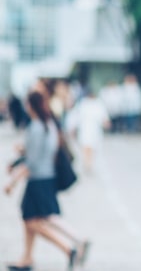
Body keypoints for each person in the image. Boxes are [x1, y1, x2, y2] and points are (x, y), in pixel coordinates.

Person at [4, 90, 90, 271]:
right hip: (48, 177)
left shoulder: (36, 127)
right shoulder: (50, 125)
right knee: (31, 219)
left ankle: (69, 248)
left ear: (30, 105)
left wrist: (12, 181)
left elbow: (32, 163)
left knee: (35, 221)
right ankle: (27, 258)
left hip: (38, 180)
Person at [65, 89, 111, 175]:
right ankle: (88, 163)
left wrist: (73, 128)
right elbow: (77, 117)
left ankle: (88, 163)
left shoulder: (93, 104)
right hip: (87, 129)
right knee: (87, 147)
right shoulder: (86, 104)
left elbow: (103, 117)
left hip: (92, 130)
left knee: (89, 148)